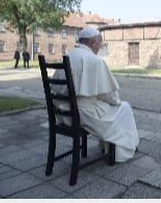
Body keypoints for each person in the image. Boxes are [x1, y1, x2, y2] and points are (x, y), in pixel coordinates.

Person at [53, 27, 139, 161]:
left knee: (112, 108)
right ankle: (124, 148)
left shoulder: (67, 56)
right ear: (93, 42)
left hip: (62, 114)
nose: (100, 47)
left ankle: (112, 147)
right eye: (100, 43)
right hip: (82, 115)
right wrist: (115, 102)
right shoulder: (94, 60)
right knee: (124, 107)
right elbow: (110, 95)